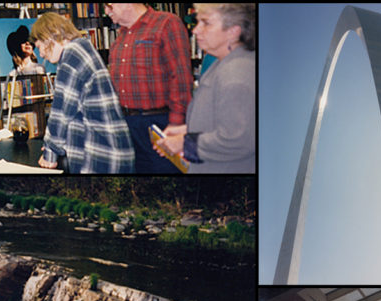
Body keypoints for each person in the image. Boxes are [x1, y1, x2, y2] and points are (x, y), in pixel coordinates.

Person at [155, 3, 255, 173]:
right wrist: (187, 130)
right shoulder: (222, 63)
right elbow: (225, 121)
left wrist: (184, 143)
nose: (195, 30)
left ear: (234, 31)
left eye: (206, 23)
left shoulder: (236, 74)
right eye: (198, 22)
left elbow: (240, 140)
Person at [31, 12, 134, 173]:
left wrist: (50, 152)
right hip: (110, 149)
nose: (41, 54)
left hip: (102, 156)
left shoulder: (72, 56)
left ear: (50, 37)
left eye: (39, 47)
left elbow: (61, 111)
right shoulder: (82, 47)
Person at [105, 3, 193, 174]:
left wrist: (176, 127)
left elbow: (181, 79)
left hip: (160, 125)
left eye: (109, 5)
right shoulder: (119, 38)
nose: (106, 11)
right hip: (126, 126)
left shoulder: (167, 23)